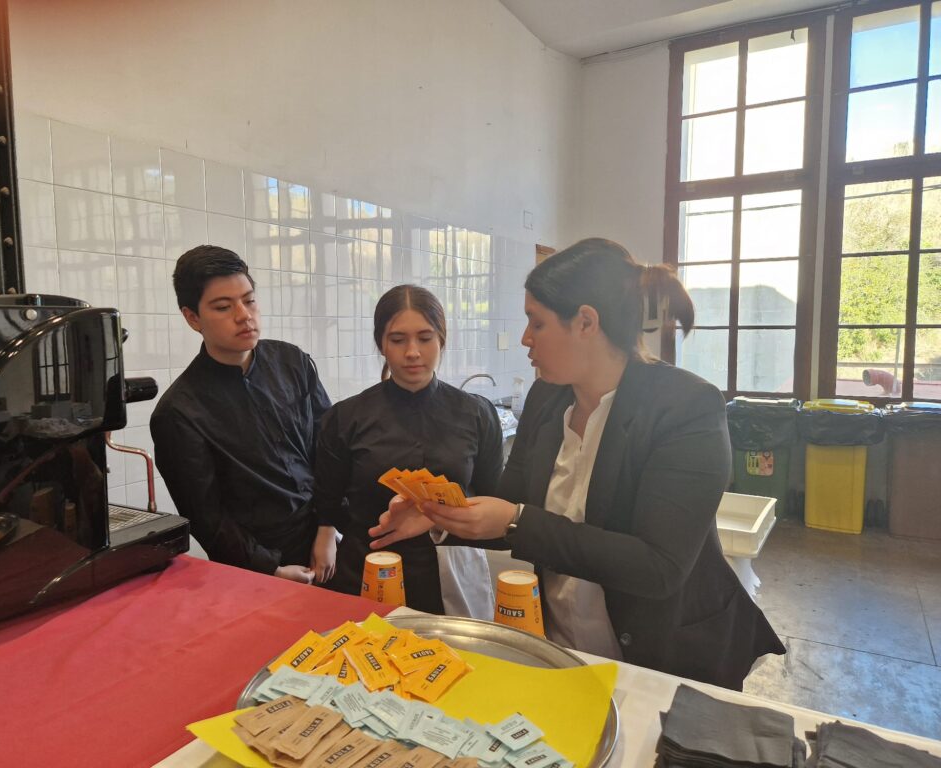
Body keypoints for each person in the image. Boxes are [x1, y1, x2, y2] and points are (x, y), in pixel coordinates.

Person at [370, 239, 785, 689]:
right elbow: (511, 505)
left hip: (667, 659)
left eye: (537, 322)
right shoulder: (548, 397)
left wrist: (515, 520)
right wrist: (440, 514)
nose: (525, 338)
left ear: (586, 322)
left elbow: (658, 566)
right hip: (567, 649)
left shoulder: (685, 407)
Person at [150, 245, 336, 585]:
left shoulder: (292, 362)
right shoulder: (179, 412)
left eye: (249, 301)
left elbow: (330, 449)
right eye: (223, 307)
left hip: (329, 540)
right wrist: (271, 569)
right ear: (192, 318)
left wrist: (328, 528)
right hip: (260, 566)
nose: (244, 315)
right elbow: (207, 517)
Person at [315, 284, 503, 614]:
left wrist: (439, 518)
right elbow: (328, 501)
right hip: (366, 568)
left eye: (425, 338)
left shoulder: (476, 413)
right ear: (381, 344)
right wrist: (331, 532)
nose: (413, 352)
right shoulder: (346, 417)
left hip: (453, 572)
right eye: (398, 339)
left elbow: (493, 499)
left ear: (441, 339)